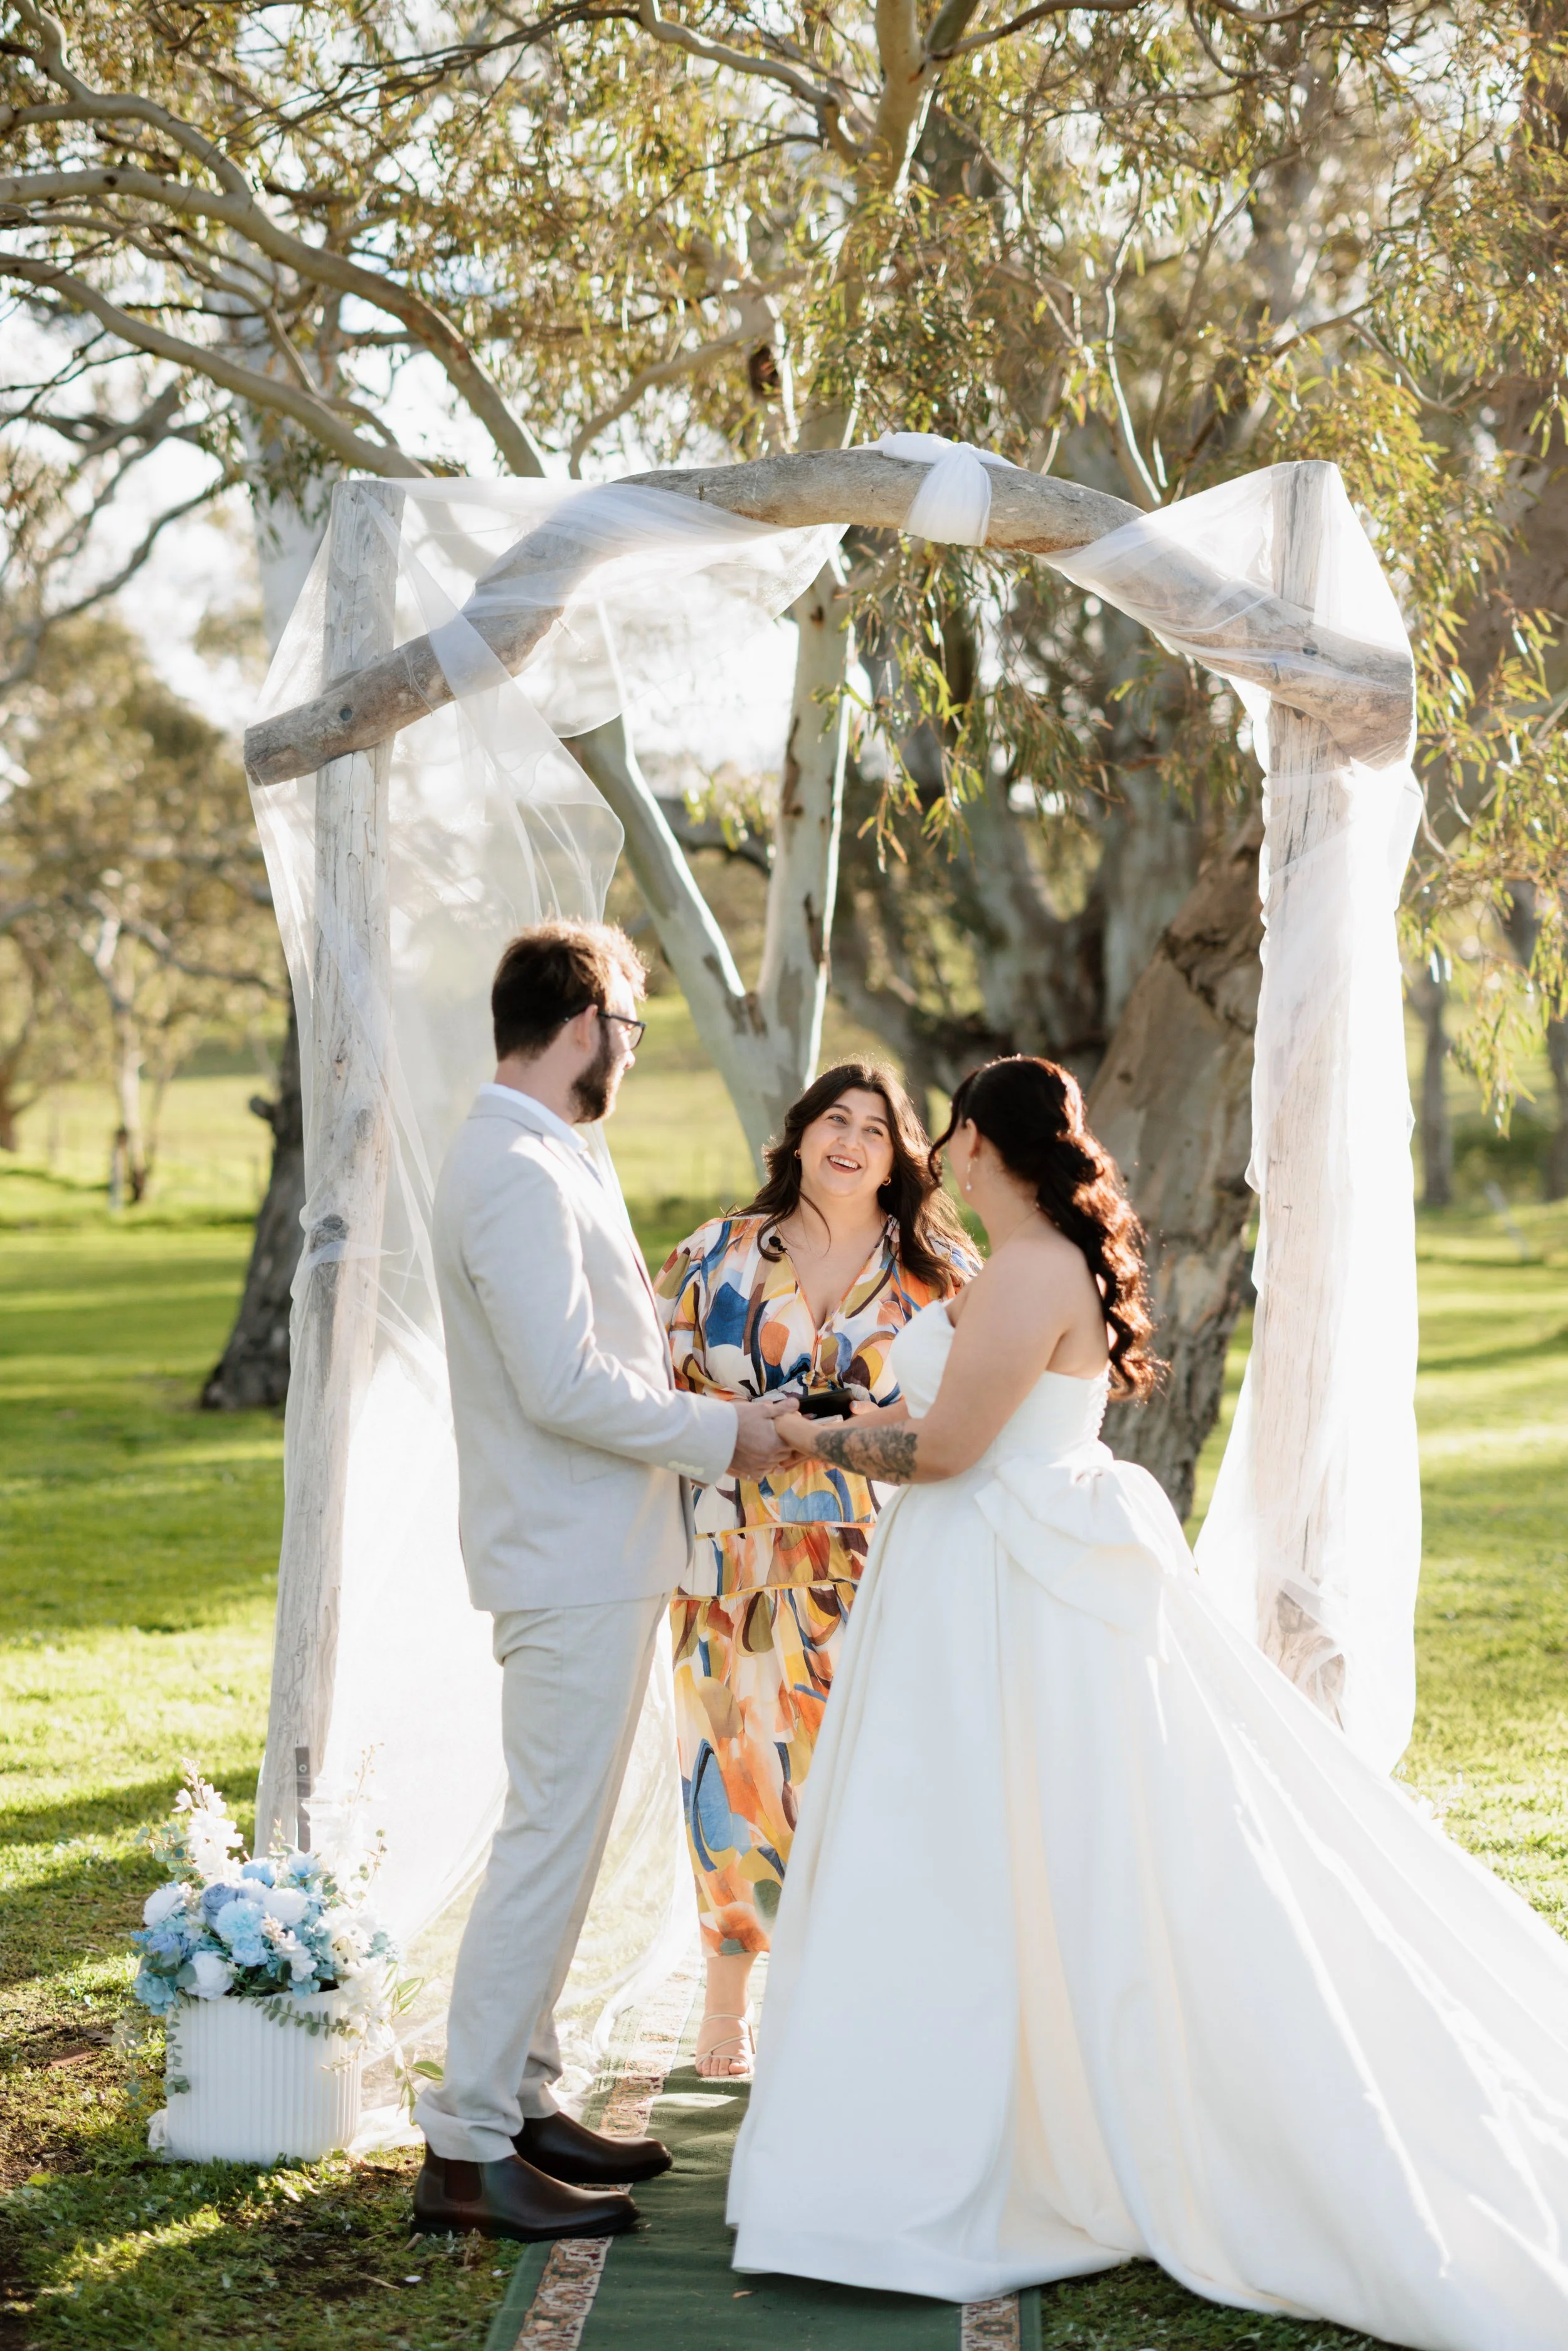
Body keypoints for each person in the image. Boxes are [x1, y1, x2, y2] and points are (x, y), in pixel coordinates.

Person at [728, 1054, 1568, 2347]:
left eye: (950, 1132)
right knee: (994, 1842)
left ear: (983, 1143)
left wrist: (805, 1432)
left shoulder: (1025, 1267)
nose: (938, 1152)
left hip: (997, 1579)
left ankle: (979, 2130)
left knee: (980, 1842)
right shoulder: (1029, 1258)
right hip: (987, 1566)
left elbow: (947, 1449)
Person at [412, 920, 792, 2246]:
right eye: (627, 1027)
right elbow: (559, 1383)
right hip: (565, 1555)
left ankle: (520, 2098)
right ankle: (463, 2142)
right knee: (546, 1838)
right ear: (585, 1021)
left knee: (559, 1839)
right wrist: (715, 1434)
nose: (627, 1053)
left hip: (594, 1550)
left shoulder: (543, 1151)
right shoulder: (512, 1166)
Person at [653, 1064, 978, 2079]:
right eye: (833, 1119)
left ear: (901, 1160)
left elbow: (973, 1404)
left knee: (867, 1777)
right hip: (734, 1561)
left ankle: (866, 1997)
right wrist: (725, 1432)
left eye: (875, 1130)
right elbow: (647, 1388)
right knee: (734, 1775)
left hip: (881, 1559)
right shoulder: (713, 1255)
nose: (849, 1139)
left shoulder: (941, 1274)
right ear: (797, 1137)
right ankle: (726, 2006)